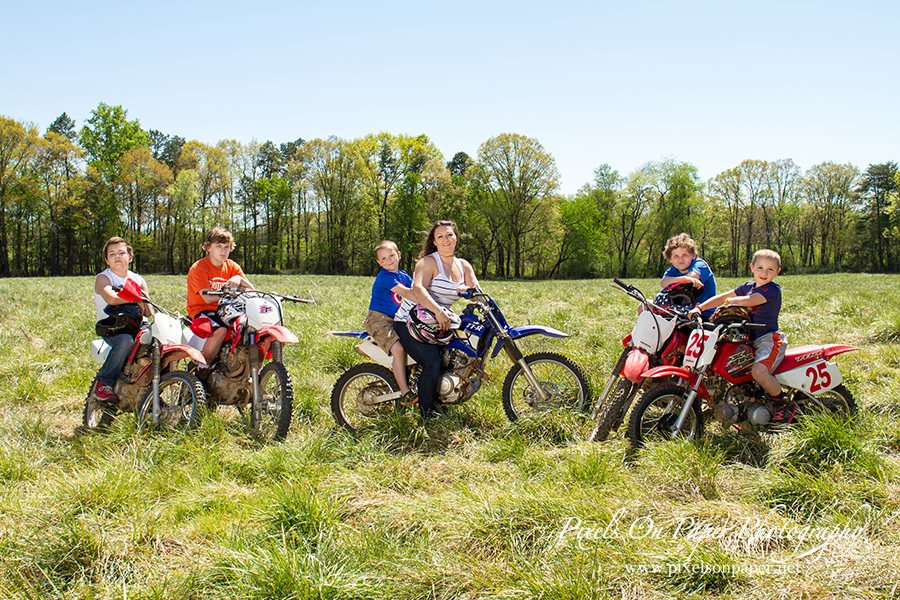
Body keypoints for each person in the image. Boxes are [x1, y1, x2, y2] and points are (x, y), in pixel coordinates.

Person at [689, 249, 793, 424]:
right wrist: (700, 308)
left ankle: (781, 403)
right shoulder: (747, 286)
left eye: (770, 269)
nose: (764, 273)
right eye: (760, 268)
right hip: (747, 339)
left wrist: (731, 302)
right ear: (752, 267)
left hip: (767, 339)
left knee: (759, 371)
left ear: (777, 272)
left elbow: (751, 300)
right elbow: (722, 297)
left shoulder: (772, 289)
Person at [393, 220, 479, 420]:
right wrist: (439, 311)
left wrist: (470, 292)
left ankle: (442, 398)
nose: (445, 240)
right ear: (434, 241)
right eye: (440, 236)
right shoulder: (429, 262)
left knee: (450, 359)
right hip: (410, 322)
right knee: (432, 363)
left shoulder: (464, 265)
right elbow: (418, 289)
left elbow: (477, 293)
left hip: (435, 324)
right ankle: (427, 414)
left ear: (456, 237)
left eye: (449, 235)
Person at [92, 237, 150, 404]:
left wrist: (144, 301)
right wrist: (136, 297)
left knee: (157, 342)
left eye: (121, 253)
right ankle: (105, 383)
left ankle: (153, 391)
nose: (117, 256)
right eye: (112, 254)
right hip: (113, 327)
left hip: (138, 324)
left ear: (130, 257)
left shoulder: (139, 279)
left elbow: (148, 311)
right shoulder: (104, 278)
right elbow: (111, 298)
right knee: (125, 341)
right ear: (106, 260)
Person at [187, 227, 254, 367]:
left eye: (227, 247)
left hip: (228, 310)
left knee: (250, 327)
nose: (223, 251)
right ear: (208, 247)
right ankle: (202, 368)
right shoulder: (199, 267)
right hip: (202, 311)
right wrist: (228, 290)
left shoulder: (232, 267)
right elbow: (207, 298)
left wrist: (239, 279)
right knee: (220, 330)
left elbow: (251, 291)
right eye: (218, 246)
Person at [364, 240, 417, 405]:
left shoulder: (402, 275)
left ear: (399, 255)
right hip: (378, 320)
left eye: (392, 255)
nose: (389, 261)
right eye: (384, 259)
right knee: (399, 350)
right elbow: (408, 293)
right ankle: (405, 392)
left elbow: (416, 287)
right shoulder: (385, 277)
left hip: (397, 319)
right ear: (379, 263)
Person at [660, 233, 717, 317]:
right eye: (676, 256)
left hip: (704, 313)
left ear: (693, 255)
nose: (680, 259)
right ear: (670, 259)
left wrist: (685, 279)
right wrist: (684, 278)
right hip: (680, 311)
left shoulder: (699, 264)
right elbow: (664, 283)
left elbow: (691, 278)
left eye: (685, 255)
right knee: (645, 306)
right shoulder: (672, 270)